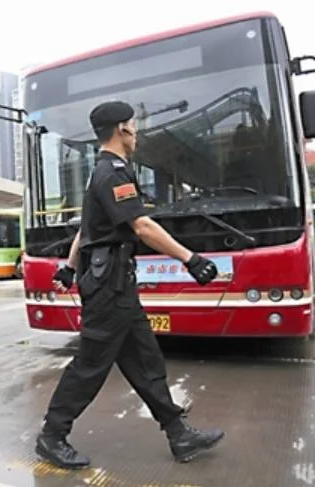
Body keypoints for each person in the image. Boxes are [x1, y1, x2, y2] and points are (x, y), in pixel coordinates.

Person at [35, 101, 225, 469]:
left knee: (145, 360)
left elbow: (87, 229)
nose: (136, 133)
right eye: (134, 126)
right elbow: (142, 226)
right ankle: (51, 436)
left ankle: (178, 433)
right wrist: (190, 258)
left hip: (116, 284)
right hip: (109, 288)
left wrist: (69, 268)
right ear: (122, 128)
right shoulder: (113, 173)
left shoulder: (105, 171)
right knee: (91, 365)